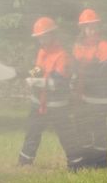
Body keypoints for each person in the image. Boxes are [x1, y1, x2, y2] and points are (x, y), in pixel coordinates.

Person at [18, 17, 84, 169]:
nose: (41, 40)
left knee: (66, 135)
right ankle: (24, 162)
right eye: (39, 37)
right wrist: (31, 74)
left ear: (53, 34)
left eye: (44, 36)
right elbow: (39, 69)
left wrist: (39, 82)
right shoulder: (42, 52)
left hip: (57, 105)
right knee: (32, 132)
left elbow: (60, 82)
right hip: (38, 102)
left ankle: (76, 165)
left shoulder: (62, 56)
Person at [72, 9, 107, 169]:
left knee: (98, 128)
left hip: (101, 97)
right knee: (82, 127)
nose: (92, 30)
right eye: (88, 27)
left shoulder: (106, 47)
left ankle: (100, 163)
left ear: (99, 27)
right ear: (82, 29)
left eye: (94, 26)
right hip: (84, 95)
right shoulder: (78, 47)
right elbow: (77, 70)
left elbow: (103, 73)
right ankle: (87, 161)